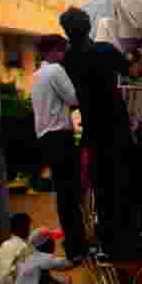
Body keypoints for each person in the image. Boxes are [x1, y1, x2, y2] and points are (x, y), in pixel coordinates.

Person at [61, 7, 142, 260]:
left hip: (92, 131)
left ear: (66, 31)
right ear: (88, 26)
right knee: (124, 183)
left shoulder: (67, 60)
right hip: (116, 127)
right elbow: (134, 72)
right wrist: (141, 55)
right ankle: (132, 241)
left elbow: (72, 100)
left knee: (102, 189)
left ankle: (109, 245)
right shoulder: (104, 50)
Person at [31, 34, 85, 260]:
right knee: (72, 194)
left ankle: (73, 247)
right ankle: (77, 247)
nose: (64, 57)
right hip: (60, 137)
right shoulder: (55, 71)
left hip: (45, 138)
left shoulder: (37, 75)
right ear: (53, 51)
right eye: (62, 51)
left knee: (64, 194)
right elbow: (74, 99)